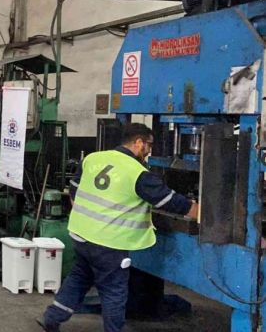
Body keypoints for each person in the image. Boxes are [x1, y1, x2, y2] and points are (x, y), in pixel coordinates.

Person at [37, 123, 199, 332]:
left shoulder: (93, 159)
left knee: (79, 277)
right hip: (108, 243)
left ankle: (52, 317)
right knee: (114, 291)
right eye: (149, 145)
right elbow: (170, 201)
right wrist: (201, 212)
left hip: (80, 234)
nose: (149, 151)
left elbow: (74, 189)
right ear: (138, 142)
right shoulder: (137, 172)